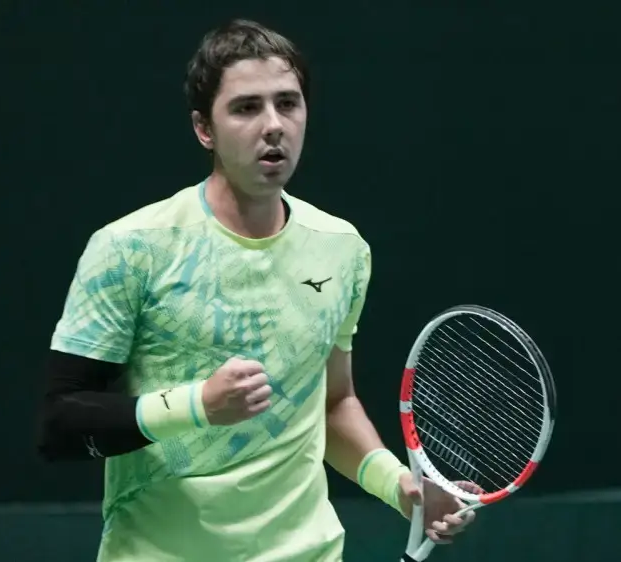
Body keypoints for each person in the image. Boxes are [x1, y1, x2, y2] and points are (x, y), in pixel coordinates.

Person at [36, 18, 478, 562]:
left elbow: (332, 401)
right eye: (246, 108)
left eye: (287, 104)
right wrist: (199, 405)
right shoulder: (131, 247)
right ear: (205, 129)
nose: (273, 125)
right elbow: (60, 425)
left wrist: (401, 487)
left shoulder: (342, 249)